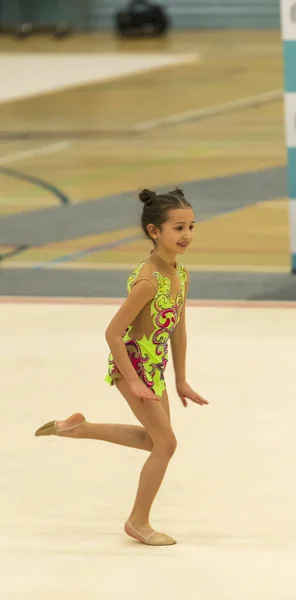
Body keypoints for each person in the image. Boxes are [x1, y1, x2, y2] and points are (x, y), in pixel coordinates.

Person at [34, 187, 209, 546]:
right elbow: (113, 333)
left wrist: (182, 379)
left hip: (153, 367)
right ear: (154, 232)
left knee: (155, 440)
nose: (187, 235)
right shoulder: (148, 281)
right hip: (132, 364)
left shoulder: (180, 274)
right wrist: (132, 380)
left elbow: (178, 327)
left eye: (191, 226)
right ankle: (138, 522)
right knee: (166, 444)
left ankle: (79, 429)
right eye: (178, 228)